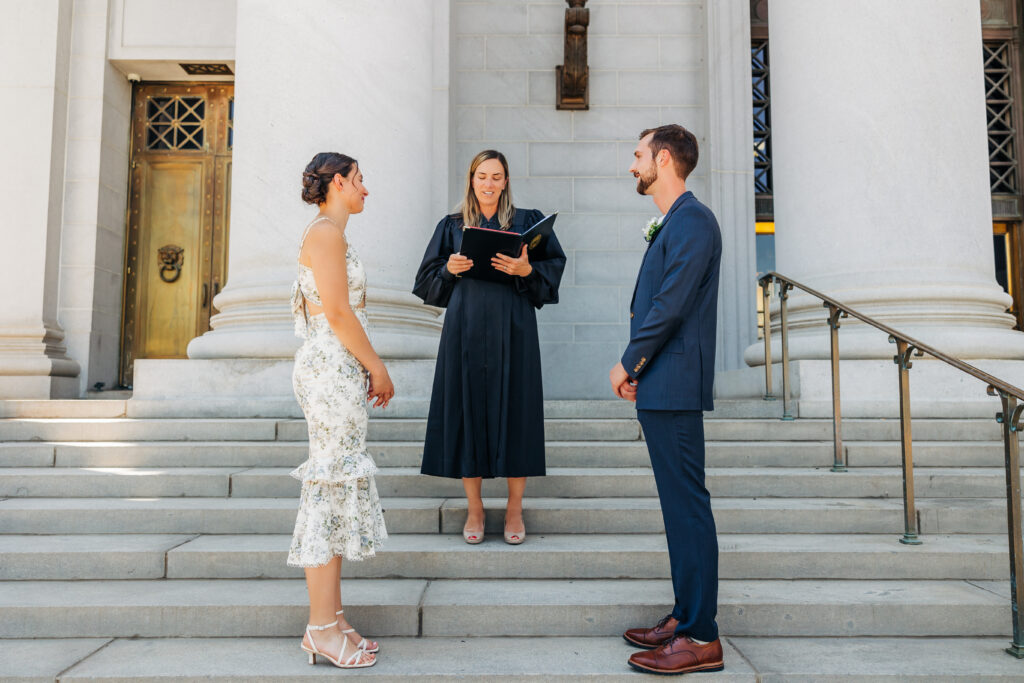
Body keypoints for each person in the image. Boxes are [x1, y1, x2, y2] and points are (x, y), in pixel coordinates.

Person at [609, 126, 724, 675]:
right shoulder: (677, 222)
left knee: (688, 509)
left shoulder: (694, 220)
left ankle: (702, 636)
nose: (632, 166)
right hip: (662, 383)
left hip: (674, 386)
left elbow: (672, 304)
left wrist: (631, 361)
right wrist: (642, 371)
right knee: (678, 512)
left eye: (638, 156)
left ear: (662, 158)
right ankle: (684, 616)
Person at [413, 150, 565, 545]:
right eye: (483, 176)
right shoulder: (451, 226)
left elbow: (552, 269)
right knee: (468, 411)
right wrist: (450, 269)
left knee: (517, 412)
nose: (489, 183)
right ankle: (475, 508)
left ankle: (514, 509)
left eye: (497, 177)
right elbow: (425, 280)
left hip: (514, 326)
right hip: (465, 329)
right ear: (471, 180)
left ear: (506, 181)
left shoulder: (528, 222)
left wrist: (527, 270)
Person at [288, 152, 393, 669]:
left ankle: (332, 617)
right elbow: (336, 311)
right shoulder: (326, 233)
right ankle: (320, 627)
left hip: (335, 367)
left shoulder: (331, 232)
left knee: (332, 490)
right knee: (327, 493)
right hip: (332, 368)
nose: (365, 189)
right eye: (358, 180)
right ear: (336, 183)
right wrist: (377, 366)